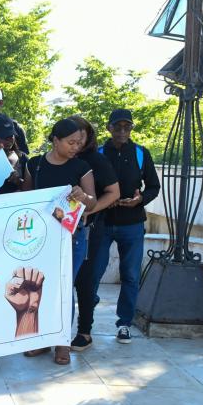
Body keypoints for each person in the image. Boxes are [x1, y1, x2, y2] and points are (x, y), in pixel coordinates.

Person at [21, 118, 97, 365]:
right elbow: (26, 198)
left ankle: (62, 342)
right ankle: (41, 340)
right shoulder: (36, 164)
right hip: (41, 238)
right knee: (39, 286)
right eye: (71, 142)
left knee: (65, 288)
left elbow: (93, 203)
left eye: (79, 143)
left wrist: (83, 196)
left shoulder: (82, 167)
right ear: (55, 140)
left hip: (72, 238)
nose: (75, 147)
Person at [89, 109, 160, 345]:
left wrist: (140, 200)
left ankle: (124, 324)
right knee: (93, 273)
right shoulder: (97, 153)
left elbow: (153, 186)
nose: (122, 131)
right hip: (103, 221)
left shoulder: (141, 153)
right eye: (117, 127)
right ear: (108, 128)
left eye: (126, 127)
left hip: (132, 223)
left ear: (131, 129)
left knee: (130, 275)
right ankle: (86, 321)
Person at [67, 116, 121, 351]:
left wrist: (90, 210)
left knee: (85, 282)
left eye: (81, 136)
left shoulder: (96, 161)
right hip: (62, 231)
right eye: (72, 137)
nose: (77, 141)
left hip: (91, 229)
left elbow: (113, 192)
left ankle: (84, 332)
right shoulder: (62, 159)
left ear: (88, 137)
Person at [0, 114, 28, 195]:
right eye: (4, 136)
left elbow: (31, 188)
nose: (9, 139)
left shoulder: (22, 158)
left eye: (11, 135)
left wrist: (18, 181)